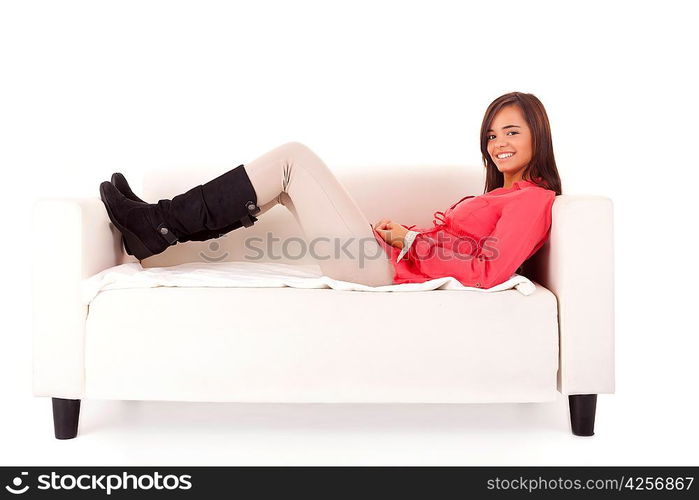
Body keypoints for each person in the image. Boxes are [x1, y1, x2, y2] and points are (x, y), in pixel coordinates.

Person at [99, 91, 562, 289]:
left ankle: (157, 224)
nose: (498, 143)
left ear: (537, 135)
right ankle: (157, 227)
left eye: (512, 132)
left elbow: (490, 270)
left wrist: (410, 240)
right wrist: (402, 235)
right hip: (386, 256)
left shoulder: (534, 200)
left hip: (385, 269)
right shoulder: (499, 194)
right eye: (492, 135)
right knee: (283, 180)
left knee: (291, 160)